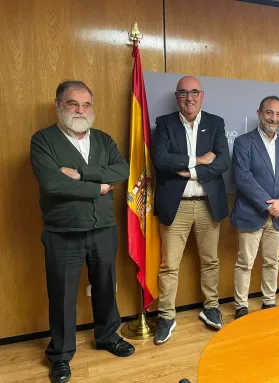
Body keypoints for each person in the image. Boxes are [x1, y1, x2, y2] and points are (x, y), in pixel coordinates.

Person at [30, 80, 134, 383]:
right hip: (63, 232)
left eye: (86, 104)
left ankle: (106, 337)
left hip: (103, 228)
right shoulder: (44, 140)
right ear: (59, 105)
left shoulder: (103, 139)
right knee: (62, 294)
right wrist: (99, 187)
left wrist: (83, 175)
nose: (81, 110)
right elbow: (53, 183)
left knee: (105, 286)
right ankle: (60, 355)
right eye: (73, 103)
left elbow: (122, 170)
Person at [152, 76, 229, 344]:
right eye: (183, 93)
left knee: (211, 261)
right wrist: (197, 160)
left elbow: (223, 161)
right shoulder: (164, 123)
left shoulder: (215, 123)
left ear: (202, 95)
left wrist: (187, 171)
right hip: (177, 206)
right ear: (177, 97)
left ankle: (210, 308)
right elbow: (161, 159)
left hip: (208, 205)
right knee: (169, 265)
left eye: (194, 92)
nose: (189, 98)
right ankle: (166, 316)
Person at [230, 96, 279, 319]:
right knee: (245, 263)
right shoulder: (243, 142)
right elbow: (243, 178)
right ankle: (241, 305)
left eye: (278, 114)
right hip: (251, 213)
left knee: (272, 261)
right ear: (259, 113)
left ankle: (269, 301)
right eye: (269, 113)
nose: (274, 118)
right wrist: (269, 204)